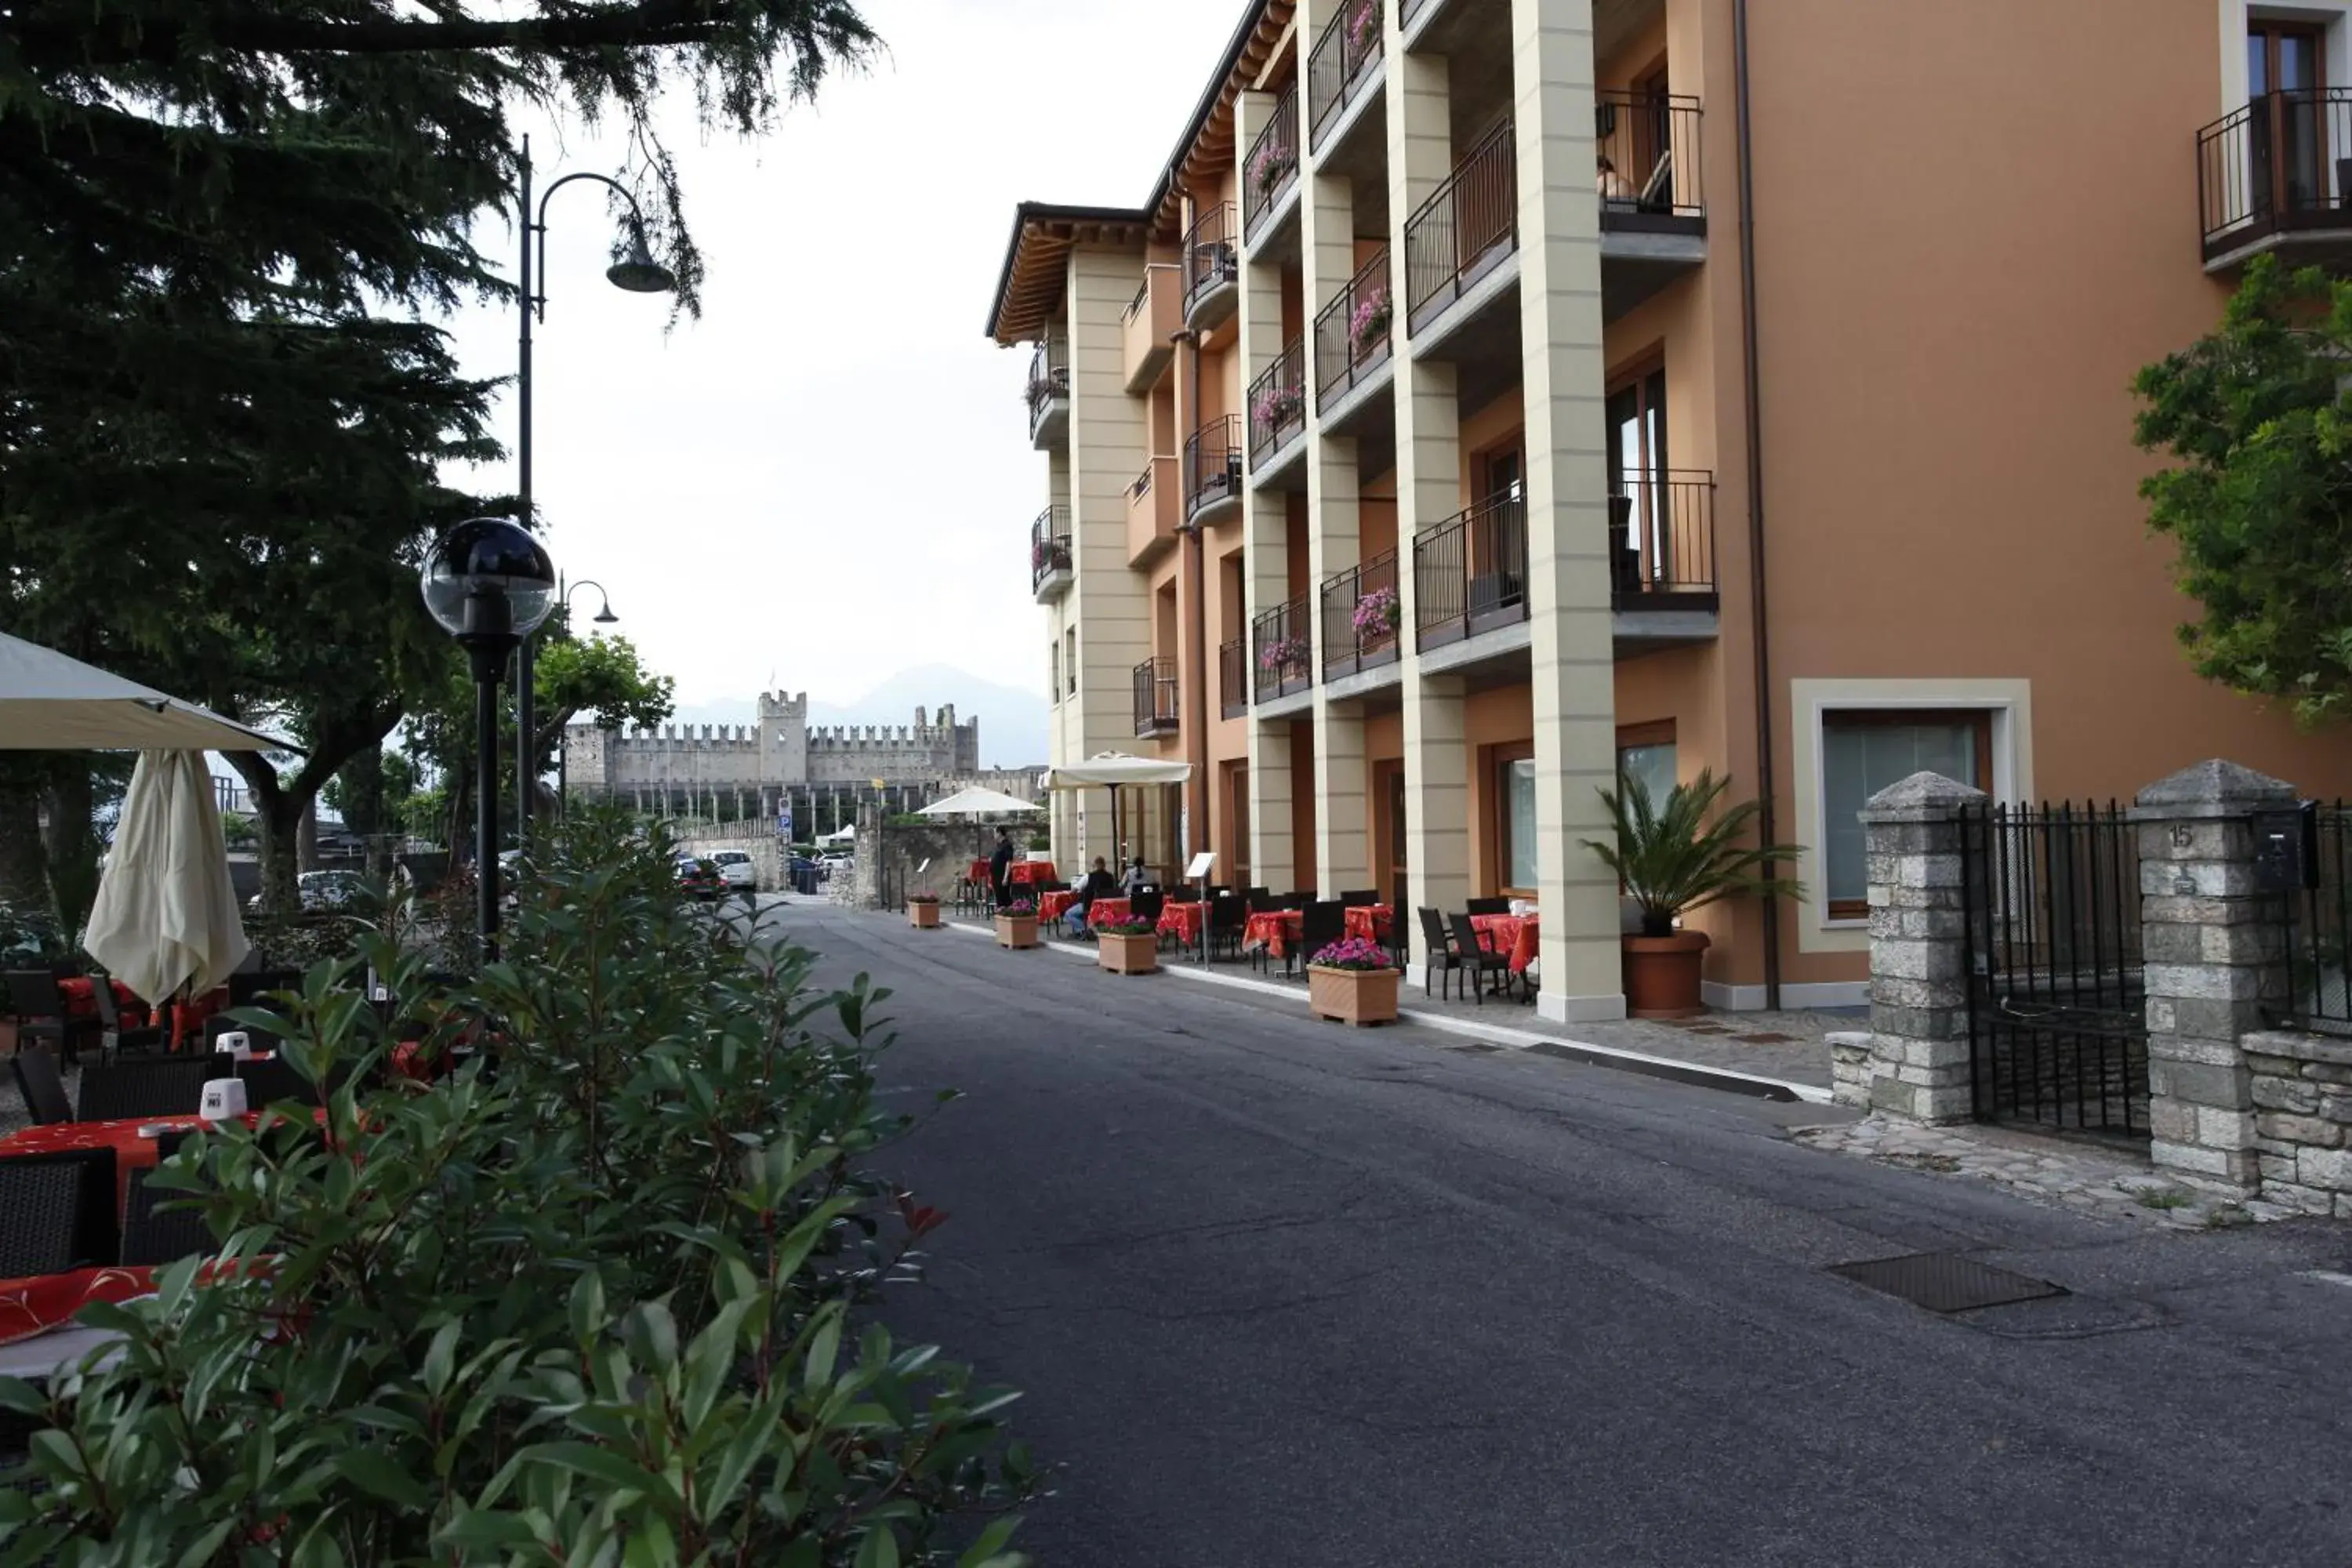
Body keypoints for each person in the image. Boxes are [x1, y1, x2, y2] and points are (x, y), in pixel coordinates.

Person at [1067, 855, 1117, 939]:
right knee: (1078, 913)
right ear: (1104, 865)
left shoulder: (1089, 876)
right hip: (1106, 907)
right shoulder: (1110, 877)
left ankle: (1085, 930)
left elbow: (1074, 890)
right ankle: (1083, 930)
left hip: (1089, 905)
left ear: (1094, 865)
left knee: (1069, 914)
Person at [989, 826, 1016, 909]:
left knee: (1005, 898)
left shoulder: (1007, 845)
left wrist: (1005, 877)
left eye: (995, 833)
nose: (994, 835)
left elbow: (1009, 861)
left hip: (1002, 875)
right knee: (999, 898)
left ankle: (1006, 914)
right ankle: (1001, 915)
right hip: (996, 875)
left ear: (999, 833)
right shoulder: (999, 845)